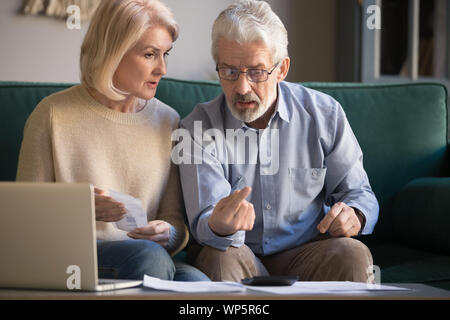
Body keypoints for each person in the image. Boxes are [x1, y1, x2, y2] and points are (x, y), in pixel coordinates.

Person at [177, 0, 379, 282]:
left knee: (353, 254)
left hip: (307, 252)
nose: (242, 87)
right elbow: (204, 221)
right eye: (230, 71)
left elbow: (359, 193)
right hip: (236, 249)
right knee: (220, 257)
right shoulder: (197, 128)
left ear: (281, 69)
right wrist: (219, 225)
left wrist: (354, 214)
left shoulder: (325, 114)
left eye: (257, 72)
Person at [16, 0, 209, 282]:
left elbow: (174, 222)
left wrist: (167, 233)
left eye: (165, 54)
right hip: (71, 257)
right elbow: (23, 218)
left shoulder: (168, 121)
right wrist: (77, 209)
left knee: (197, 283)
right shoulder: (52, 114)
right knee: (149, 258)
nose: (162, 69)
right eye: (150, 54)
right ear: (112, 52)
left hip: (147, 258)